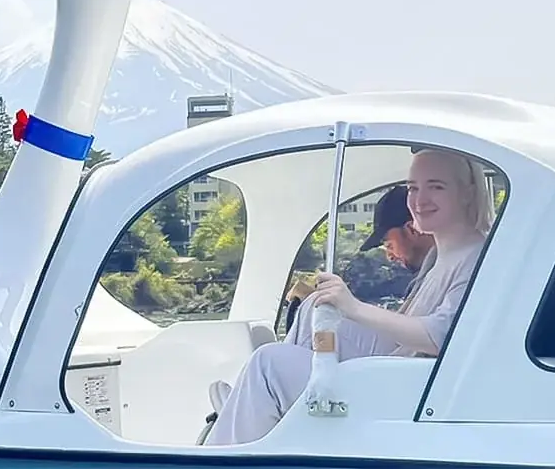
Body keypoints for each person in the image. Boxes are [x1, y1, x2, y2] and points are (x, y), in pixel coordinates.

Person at [203, 148, 495, 446]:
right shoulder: (441, 253)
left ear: (467, 193)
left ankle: (242, 425)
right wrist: (338, 304)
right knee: (313, 309)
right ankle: (258, 412)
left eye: (436, 186)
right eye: (413, 188)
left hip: (407, 393)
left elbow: (441, 337)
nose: (419, 200)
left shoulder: (475, 257)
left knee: (268, 366)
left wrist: (352, 306)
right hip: (401, 368)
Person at [282, 184, 436, 332]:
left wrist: (348, 305)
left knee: (312, 308)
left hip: (401, 353)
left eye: (389, 245)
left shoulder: (443, 271)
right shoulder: (431, 272)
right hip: (400, 351)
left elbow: (409, 332)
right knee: (314, 306)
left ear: (411, 230)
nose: (390, 257)